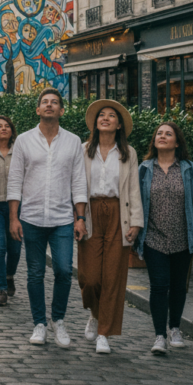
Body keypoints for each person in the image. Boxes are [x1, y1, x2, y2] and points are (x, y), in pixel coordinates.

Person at [7, 87, 87, 348]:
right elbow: (15, 179)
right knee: (35, 273)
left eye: (55, 102)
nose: (50, 105)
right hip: (30, 217)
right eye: (45, 102)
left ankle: (59, 320)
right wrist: (13, 217)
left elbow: (78, 181)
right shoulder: (24, 140)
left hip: (63, 218)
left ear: (62, 110)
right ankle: (39, 323)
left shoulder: (73, 141)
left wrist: (80, 217)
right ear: (38, 109)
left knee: (64, 270)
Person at [135, 122, 193, 355]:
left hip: (182, 238)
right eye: (159, 133)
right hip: (153, 238)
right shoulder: (145, 169)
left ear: (177, 142)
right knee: (159, 286)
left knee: (178, 287)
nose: (163, 136)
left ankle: (175, 328)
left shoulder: (189, 169)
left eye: (168, 134)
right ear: (154, 140)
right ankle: (159, 335)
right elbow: (135, 203)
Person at [78, 100, 143, 354]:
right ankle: (94, 313)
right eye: (101, 115)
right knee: (90, 277)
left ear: (118, 125)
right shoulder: (83, 150)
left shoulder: (128, 153)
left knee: (113, 276)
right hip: (90, 213)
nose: (105, 118)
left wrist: (136, 222)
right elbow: (76, 186)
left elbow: (134, 189)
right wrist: (78, 216)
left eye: (111, 116)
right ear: (95, 123)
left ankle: (104, 332)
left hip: (120, 213)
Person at [0, 115, 21, 307]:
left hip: (16, 205)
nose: (3, 129)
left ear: (11, 130)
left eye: (7, 126)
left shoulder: (19, 151)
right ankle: (1, 288)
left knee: (15, 249)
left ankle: (9, 275)